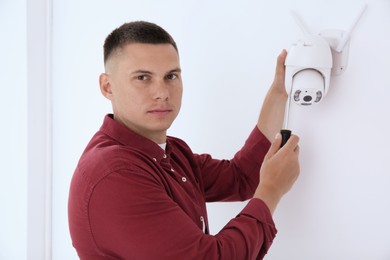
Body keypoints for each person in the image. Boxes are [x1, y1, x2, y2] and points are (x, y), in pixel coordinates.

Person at [68, 21, 300, 260]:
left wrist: (279, 93)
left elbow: (241, 177)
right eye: (142, 77)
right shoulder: (115, 174)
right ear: (108, 86)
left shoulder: (171, 152)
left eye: (171, 76)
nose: (162, 92)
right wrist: (271, 190)